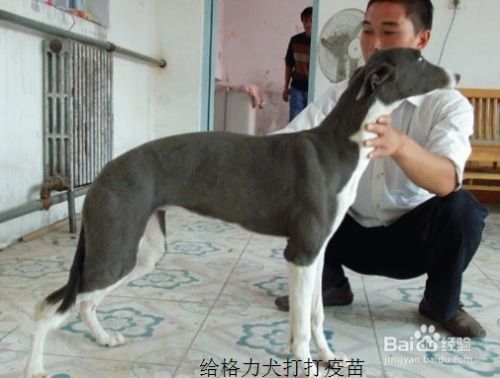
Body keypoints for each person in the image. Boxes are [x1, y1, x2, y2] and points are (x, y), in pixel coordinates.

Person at [274, 0, 488, 338]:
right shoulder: (339, 97)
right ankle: (330, 285)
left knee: (464, 211)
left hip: (412, 241)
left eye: (389, 32)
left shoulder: (446, 104)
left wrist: (400, 145)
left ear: (421, 39)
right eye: (367, 31)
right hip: (347, 232)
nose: (373, 44)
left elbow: (447, 179)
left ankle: (440, 304)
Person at [283, 6, 313, 121]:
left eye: (311, 20)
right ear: (302, 22)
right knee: (295, 122)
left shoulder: (320, 42)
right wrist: (286, 87)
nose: (308, 24)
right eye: (305, 21)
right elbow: (289, 65)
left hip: (313, 89)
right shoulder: (295, 41)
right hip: (297, 89)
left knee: (311, 122)